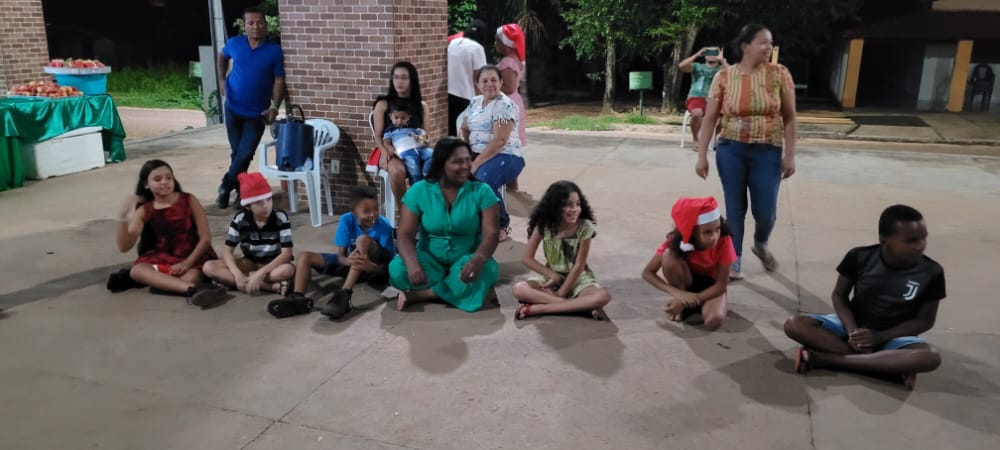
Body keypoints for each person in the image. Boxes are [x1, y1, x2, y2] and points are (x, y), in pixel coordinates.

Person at [783, 205, 944, 390]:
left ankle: (826, 359)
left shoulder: (932, 272)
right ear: (884, 240)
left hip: (895, 335)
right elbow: (839, 296)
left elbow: (925, 320)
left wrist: (879, 337)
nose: (920, 245)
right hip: (853, 324)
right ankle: (887, 365)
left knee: (930, 356)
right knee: (794, 325)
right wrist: (853, 333)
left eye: (924, 238)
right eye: (911, 241)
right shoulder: (860, 257)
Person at [695, 24, 797, 280]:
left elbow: (790, 118)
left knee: (765, 212)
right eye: (762, 42)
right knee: (735, 207)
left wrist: (789, 155)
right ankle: (734, 259)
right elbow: (709, 119)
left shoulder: (779, 74)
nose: (768, 47)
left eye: (770, 42)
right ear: (745, 46)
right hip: (731, 149)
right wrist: (701, 155)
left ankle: (761, 243)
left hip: (768, 151)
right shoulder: (724, 77)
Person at [389, 137, 501, 313]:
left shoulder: (482, 191)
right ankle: (454, 289)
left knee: (487, 269)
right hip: (430, 261)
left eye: (468, 160)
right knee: (397, 269)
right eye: (458, 161)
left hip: (467, 261)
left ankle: (422, 295)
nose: (466, 166)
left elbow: (492, 233)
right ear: (441, 165)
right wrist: (412, 263)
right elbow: (404, 234)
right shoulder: (419, 191)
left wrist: (477, 259)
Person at [268, 186, 395, 320]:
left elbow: (388, 267)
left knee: (362, 240)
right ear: (353, 211)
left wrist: (369, 266)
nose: (373, 214)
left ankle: (344, 295)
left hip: (374, 270)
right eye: (367, 211)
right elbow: (340, 256)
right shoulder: (346, 220)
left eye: (376, 209)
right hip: (352, 266)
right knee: (304, 256)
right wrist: (348, 261)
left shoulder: (384, 225)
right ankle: (297, 298)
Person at [115, 159, 227, 308]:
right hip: (162, 258)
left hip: (192, 257)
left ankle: (168, 284)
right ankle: (193, 290)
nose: (164, 182)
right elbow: (124, 247)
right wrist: (122, 218)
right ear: (146, 184)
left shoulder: (189, 200)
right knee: (137, 271)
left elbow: (205, 238)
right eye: (157, 179)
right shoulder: (145, 210)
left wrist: (187, 263)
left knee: (190, 277)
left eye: (169, 177)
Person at [215, 6, 285, 209]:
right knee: (238, 153)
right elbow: (222, 57)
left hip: (257, 113)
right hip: (232, 108)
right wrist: (221, 80)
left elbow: (279, 80)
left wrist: (274, 107)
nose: (256, 27)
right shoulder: (235, 44)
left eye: (260, 22)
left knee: (244, 154)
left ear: (266, 25)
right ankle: (242, 194)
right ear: (244, 25)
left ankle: (226, 185)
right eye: (251, 23)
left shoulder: (274, 50)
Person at [511, 181, 611, 320]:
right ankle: (579, 307)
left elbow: (579, 266)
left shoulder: (585, 227)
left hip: (579, 280)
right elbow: (527, 258)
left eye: (578, 204)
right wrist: (553, 276)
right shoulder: (543, 225)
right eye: (568, 205)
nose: (575, 209)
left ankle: (541, 308)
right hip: (550, 278)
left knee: (603, 296)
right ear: (555, 207)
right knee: (519, 288)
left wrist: (560, 293)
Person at [641, 197, 735, 330]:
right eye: (707, 232)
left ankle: (686, 305)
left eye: (717, 229)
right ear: (693, 232)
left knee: (714, 320)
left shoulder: (724, 241)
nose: (714, 236)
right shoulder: (677, 241)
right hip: (686, 283)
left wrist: (685, 302)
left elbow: (721, 285)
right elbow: (647, 273)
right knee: (669, 256)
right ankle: (684, 299)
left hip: (712, 287)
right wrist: (678, 294)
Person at [459, 65, 526, 242]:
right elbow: (464, 128)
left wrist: (475, 163)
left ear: (501, 82)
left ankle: (501, 224)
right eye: (485, 81)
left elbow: (499, 141)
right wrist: (464, 150)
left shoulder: (505, 105)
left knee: (482, 180)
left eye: (494, 80)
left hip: (507, 155)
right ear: (478, 84)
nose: (489, 84)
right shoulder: (475, 102)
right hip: (477, 153)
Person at [202, 172, 294, 296]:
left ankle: (241, 282)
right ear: (248, 206)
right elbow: (227, 251)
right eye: (259, 202)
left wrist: (260, 273)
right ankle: (271, 287)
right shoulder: (240, 219)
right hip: (249, 262)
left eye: (268, 199)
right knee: (209, 267)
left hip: (272, 265)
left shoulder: (280, 217)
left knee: (286, 270)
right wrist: (237, 274)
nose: (266, 205)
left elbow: (286, 254)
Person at [372, 62, 430, 215]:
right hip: (390, 148)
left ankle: (427, 210)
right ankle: (406, 214)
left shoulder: (422, 106)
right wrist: (384, 152)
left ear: (412, 80)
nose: (399, 81)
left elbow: (425, 136)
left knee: (435, 164)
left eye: (404, 77)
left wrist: (420, 142)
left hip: (415, 148)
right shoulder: (383, 104)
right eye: (396, 77)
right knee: (398, 171)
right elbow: (377, 136)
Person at [678, 46, 727, 149]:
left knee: (727, 114)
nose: (711, 55)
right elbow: (681, 66)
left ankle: (717, 139)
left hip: (715, 98)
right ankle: (696, 139)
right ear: (705, 55)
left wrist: (722, 60)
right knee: (697, 113)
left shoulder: (722, 69)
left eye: (714, 53)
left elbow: (735, 75)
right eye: (708, 52)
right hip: (696, 97)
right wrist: (697, 54)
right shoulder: (697, 66)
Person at [447, 19, 489, 136]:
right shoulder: (477, 48)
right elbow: (479, 78)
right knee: (466, 134)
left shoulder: (454, 43)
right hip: (467, 97)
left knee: (452, 131)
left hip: (449, 94)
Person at [383, 100, 434, 184]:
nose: (399, 121)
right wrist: (389, 148)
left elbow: (424, 138)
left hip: (420, 149)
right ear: (390, 116)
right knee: (414, 169)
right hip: (406, 152)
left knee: (432, 154)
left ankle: (425, 174)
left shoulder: (414, 128)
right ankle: (417, 186)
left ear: (408, 117)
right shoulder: (390, 130)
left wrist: (419, 138)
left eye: (403, 118)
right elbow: (386, 141)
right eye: (396, 118)